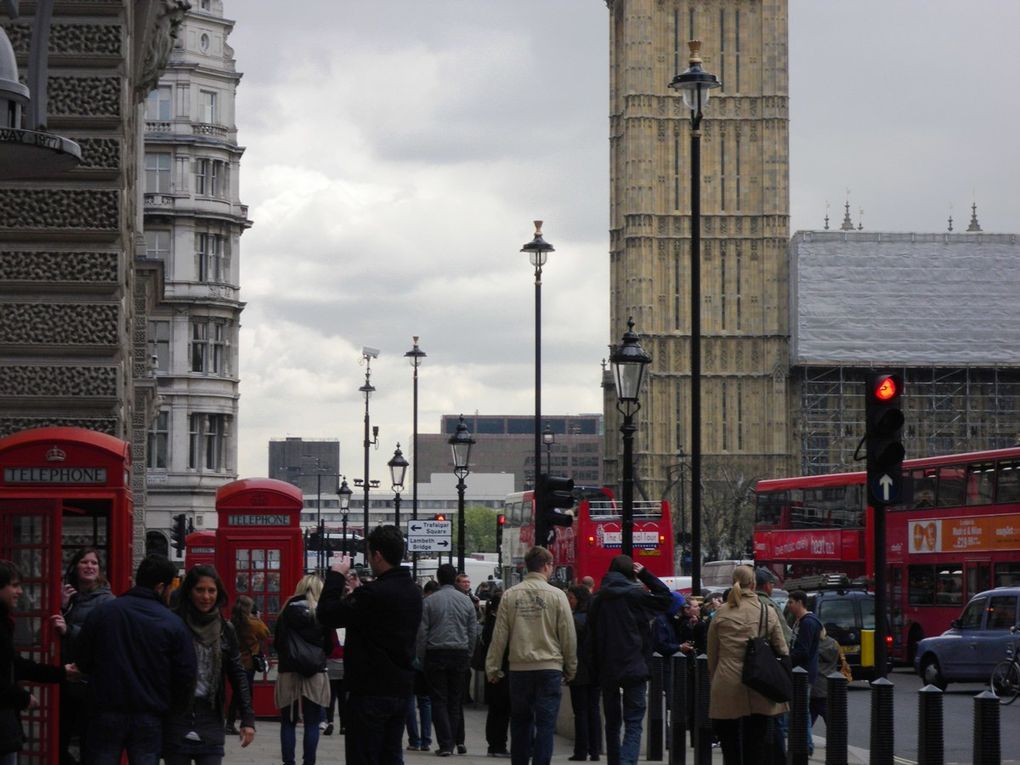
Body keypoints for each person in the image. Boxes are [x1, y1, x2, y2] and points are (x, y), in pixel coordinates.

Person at [75, 554, 197, 765]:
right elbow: (186, 675)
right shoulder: (173, 623)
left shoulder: (103, 613)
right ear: (160, 587)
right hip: (149, 715)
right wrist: (173, 710)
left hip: (105, 711)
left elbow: (83, 660)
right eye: (170, 587)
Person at [317, 526, 423, 765]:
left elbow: (327, 614)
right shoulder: (413, 592)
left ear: (378, 555)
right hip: (400, 689)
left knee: (363, 756)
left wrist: (335, 575)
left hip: (369, 691)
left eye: (368, 553)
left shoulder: (373, 594)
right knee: (391, 755)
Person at [484, 546, 576, 765]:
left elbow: (499, 636)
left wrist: (493, 667)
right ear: (546, 566)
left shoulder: (510, 595)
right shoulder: (558, 595)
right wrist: (571, 667)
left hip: (519, 668)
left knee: (520, 724)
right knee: (545, 726)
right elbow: (568, 636)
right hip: (549, 667)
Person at [586, 555, 675, 765]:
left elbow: (591, 638)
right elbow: (666, 598)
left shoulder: (598, 599)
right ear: (630, 573)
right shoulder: (635, 594)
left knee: (612, 722)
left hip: (607, 667)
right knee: (634, 721)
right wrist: (645, 575)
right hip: (635, 663)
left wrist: (593, 668)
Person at [163, 565, 255, 764]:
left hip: (210, 716)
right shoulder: (173, 624)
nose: (206, 596)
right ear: (189, 591)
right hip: (178, 715)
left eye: (211, 590)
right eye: (200, 590)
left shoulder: (225, 628)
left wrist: (248, 720)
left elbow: (238, 674)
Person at [706, 564, 788, 765]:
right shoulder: (767, 611)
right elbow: (783, 648)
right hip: (759, 683)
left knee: (729, 743)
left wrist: (715, 679)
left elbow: (712, 655)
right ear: (753, 584)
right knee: (756, 743)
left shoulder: (721, 614)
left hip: (726, 682)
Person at [1, 559, 78, 765]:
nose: (20, 592)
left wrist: (60, 672)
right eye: (15, 585)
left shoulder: (5, 621)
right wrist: (23, 697)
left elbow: (15, 664)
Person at [50, 547, 115, 765]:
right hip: (63, 678)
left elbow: (104, 640)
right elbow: (46, 634)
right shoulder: (67, 596)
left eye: (94, 563)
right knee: (58, 739)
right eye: (84, 562)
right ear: (75, 567)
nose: (89, 566)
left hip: (90, 681)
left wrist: (69, 630)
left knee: (90, 741)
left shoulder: (107, 601)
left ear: (100, 569)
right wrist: (61, 605)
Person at [417, 563, 479, 757]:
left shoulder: (429, 602)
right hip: (460, 653)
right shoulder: (466, 601)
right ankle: (452, 740)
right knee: (455, 700)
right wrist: (469, 653)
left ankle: (444, 743)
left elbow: (422, 632)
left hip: (436, 653)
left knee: (438, 699)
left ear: (438, 577)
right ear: (454, 579)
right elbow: (473, 630)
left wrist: (422, 656)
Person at [275, 574, 329, 765]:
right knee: (312, 723)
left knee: (287, 722)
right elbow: (329, 645)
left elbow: (278, 642)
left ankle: (288, 762)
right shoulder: (322, 612)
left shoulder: (286, 610)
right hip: (315, 672)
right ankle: (309, 762)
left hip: (288, 670)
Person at [754, 567, 790, 763]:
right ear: (766, 585)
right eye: (772, 584)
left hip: (743, 672)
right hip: (767, 668)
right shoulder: (769, 606)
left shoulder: (734, 605)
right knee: (774, 718)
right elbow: (784, 639)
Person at [226, 596, 269, 735]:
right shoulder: (253, 623)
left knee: (237, 693)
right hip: (248, 663)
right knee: (246, 693)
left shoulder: (231, 622)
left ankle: (230, 723)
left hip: (233, 662)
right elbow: (266, 633)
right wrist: (257, 618)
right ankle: (247, 721)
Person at [566, 585, 600, 763]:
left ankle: (580, 750)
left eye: (571, 598)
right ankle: (595, 750)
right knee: (593, 710)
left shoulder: (574, 620)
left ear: (578, 599)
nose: (569, 601)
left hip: (579, 669)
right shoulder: (595, 618)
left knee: (580, 712)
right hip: (595, 670)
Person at [787, 590, 822, 756]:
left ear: (800, 602)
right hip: (801, 671)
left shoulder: (808, 623)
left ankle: (806, 744)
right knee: (801, 709)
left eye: (791, 602)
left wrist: (786, 660)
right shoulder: (801, 621)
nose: (789, 605)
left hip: (803, 672)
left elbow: (803, 651)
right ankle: (803, 743)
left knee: (801, 710)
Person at [480, 587, 510, 758]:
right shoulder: (498, 625)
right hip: (500, 672)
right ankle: (499, 745)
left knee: (495, 711)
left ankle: (493, 745)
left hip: (491, 671)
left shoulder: (489, 623)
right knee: (502, 711)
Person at [810, 629, 841, 727]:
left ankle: (806, 741)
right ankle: (836, 740)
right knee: (830, 719)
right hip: (829, 685)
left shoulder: (814, 646)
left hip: (816, 685)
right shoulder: (833, 643)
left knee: (808, 720)